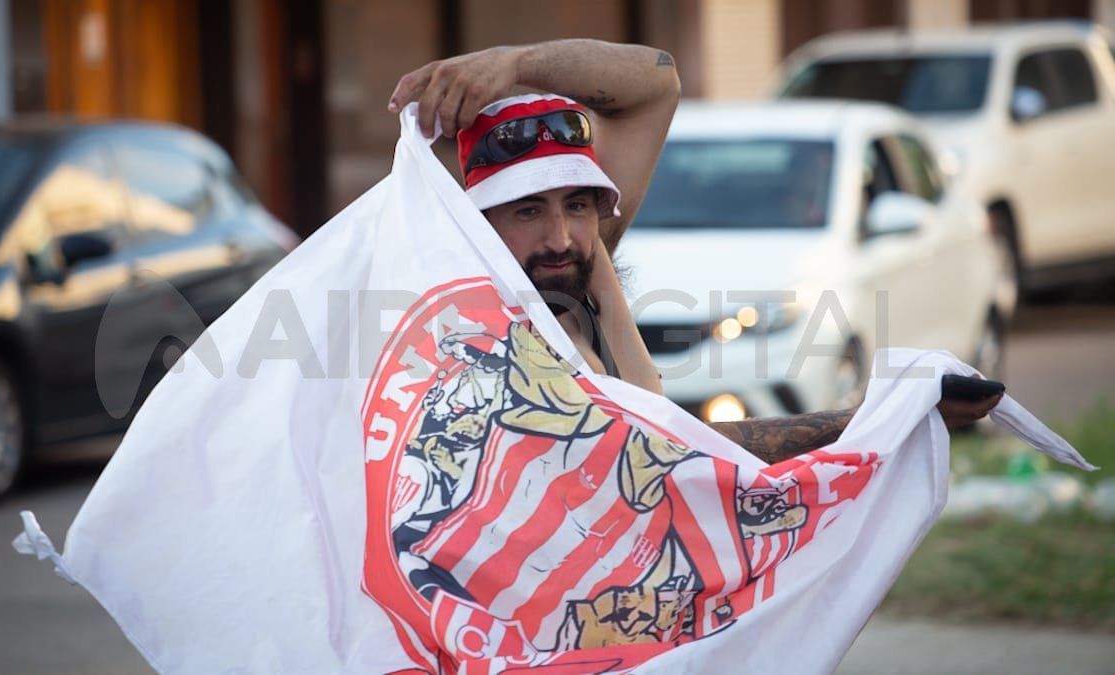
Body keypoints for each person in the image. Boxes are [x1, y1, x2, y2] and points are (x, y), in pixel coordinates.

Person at [389, 39, 1003, 465]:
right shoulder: (460, 331)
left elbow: (657, 80)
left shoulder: (584, 278)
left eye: (578, 205)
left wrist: (516, 62)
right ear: (472, 225)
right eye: (527, 211)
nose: (560, 238)